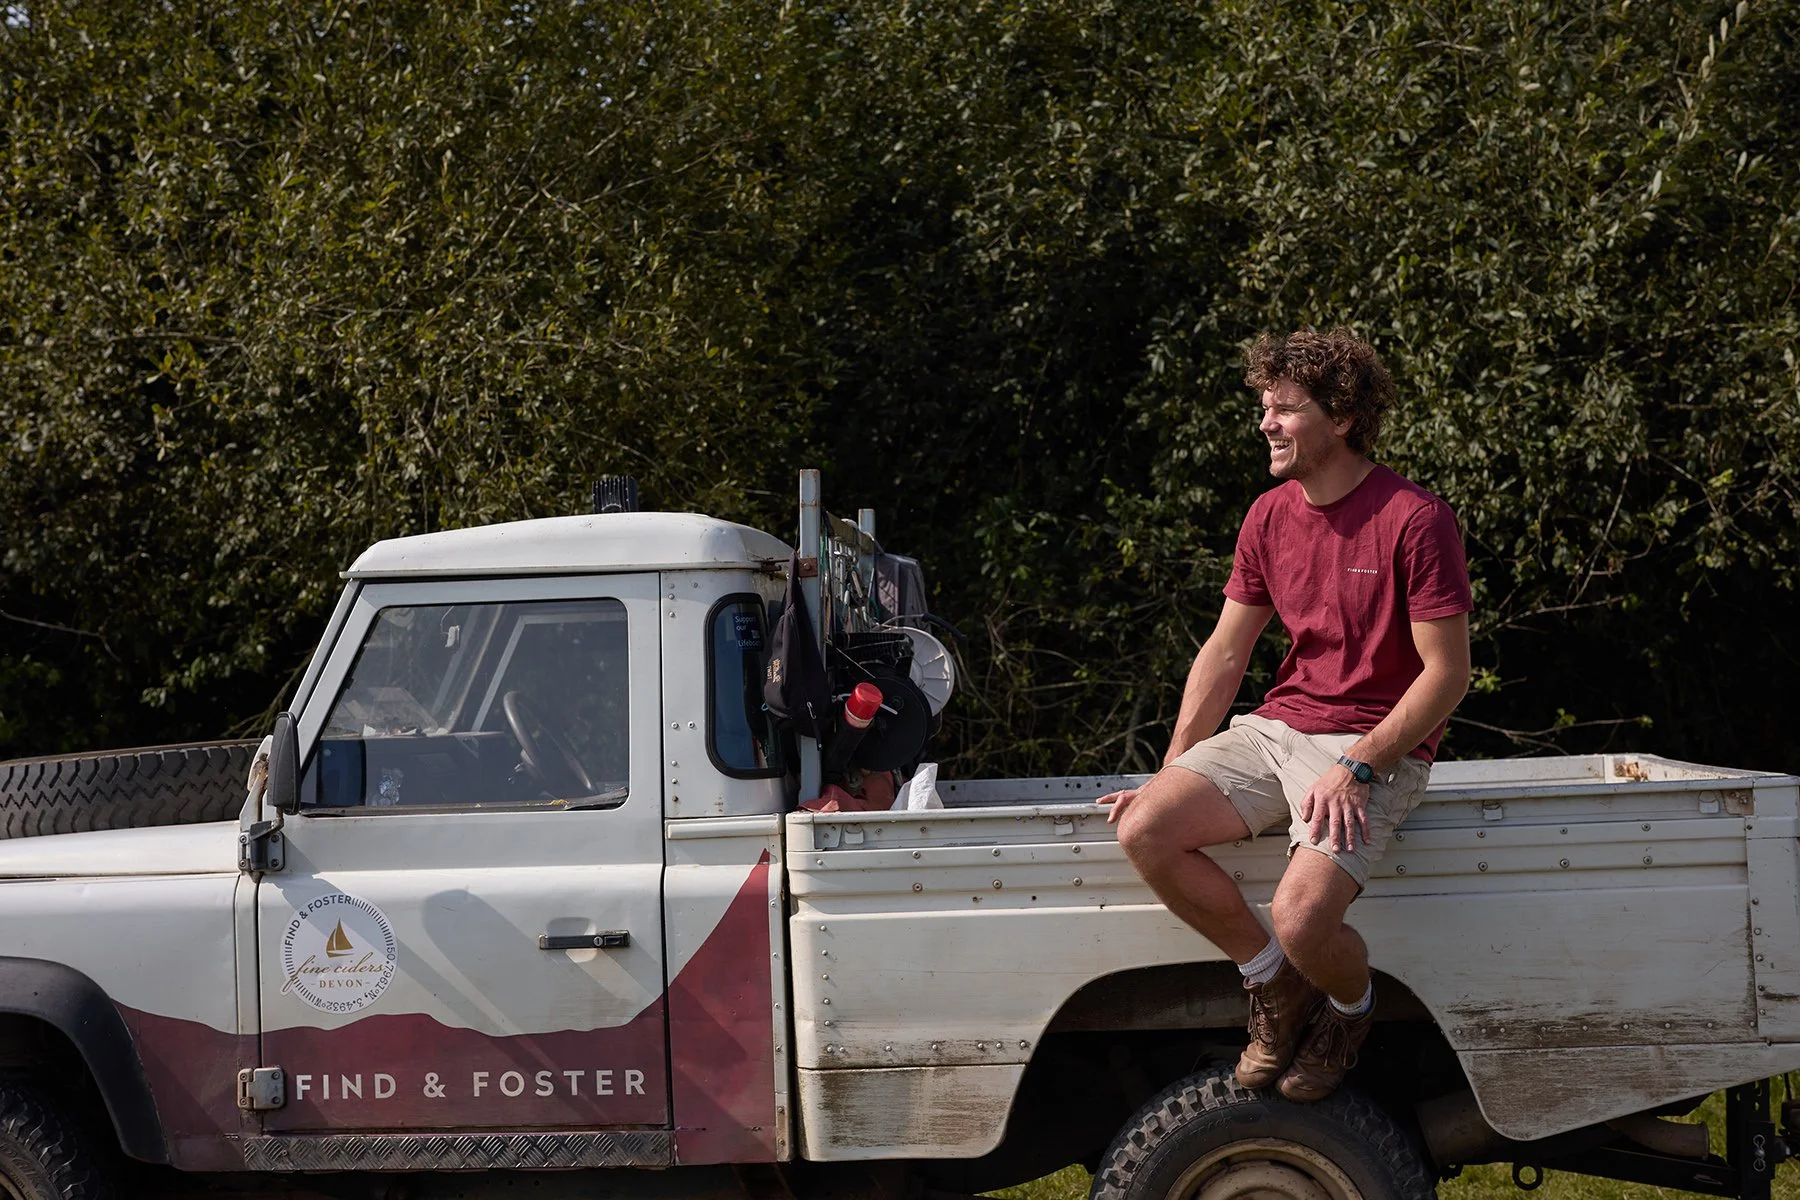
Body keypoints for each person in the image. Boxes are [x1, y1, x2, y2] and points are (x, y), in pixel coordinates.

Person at [1103, 328, 1472, 1102]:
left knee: (1302, 919)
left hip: (1374, 744)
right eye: (1264, 407)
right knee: (1145, 828)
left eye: (1284, 409)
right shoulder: (1268, 517)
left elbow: (1448, 676)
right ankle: (1273, 986)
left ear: (1340, 417)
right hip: (1279, 729)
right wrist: (1173, 772)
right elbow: (1225, 654)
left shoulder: (1415, 518)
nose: (1265, 423)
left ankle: (1349, 1007)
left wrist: (1358, 765)